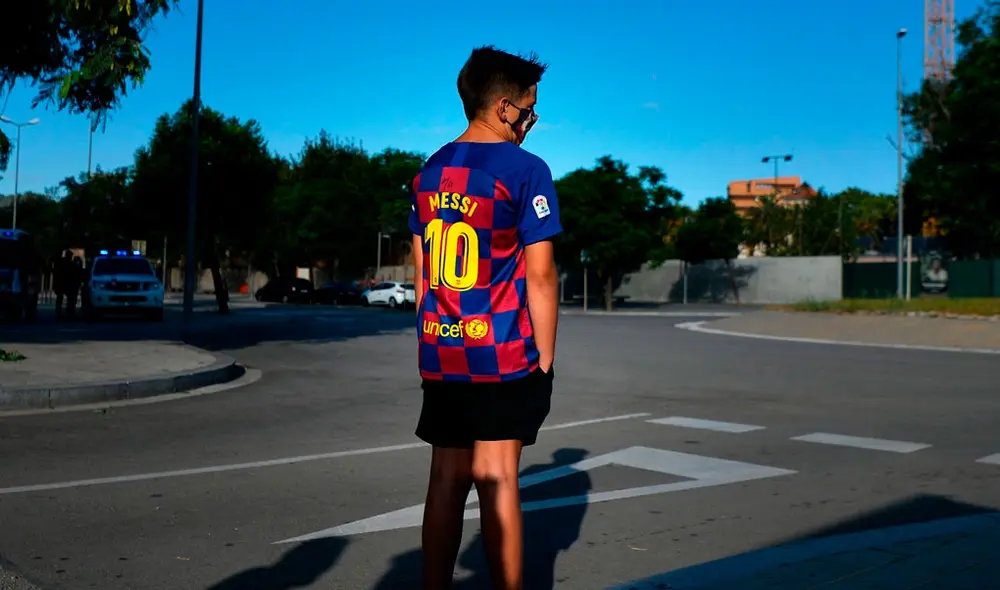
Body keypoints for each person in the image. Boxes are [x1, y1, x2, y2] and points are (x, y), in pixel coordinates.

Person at [408, 46, 561, 590]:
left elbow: (424, 274)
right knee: (497, 479)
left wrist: (436, 337)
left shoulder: (430, 171)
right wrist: (543, 356)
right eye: (529, 110)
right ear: (503, 107)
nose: (531, 121)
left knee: (446, 478)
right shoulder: (527, 171)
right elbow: (541, 277)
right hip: (501, 354)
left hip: (443, 349)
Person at [53, 250, 73, 319]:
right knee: (60, 297)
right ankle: (60, 312)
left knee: (64, 297)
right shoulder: (63, 262)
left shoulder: (66, 262)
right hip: (62, 283)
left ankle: (66, 311)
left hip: (64, 283)